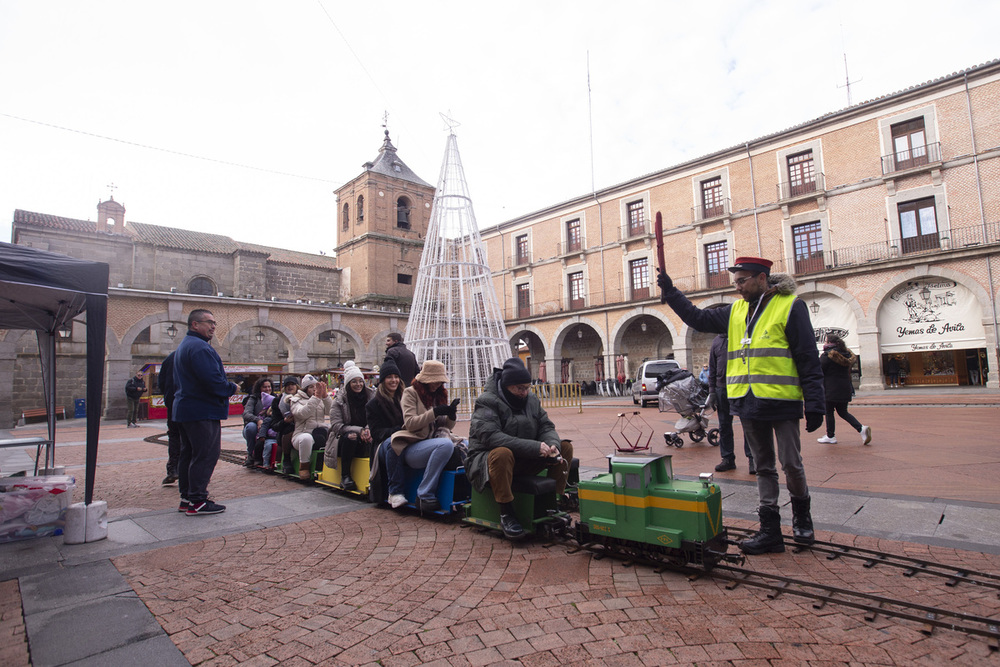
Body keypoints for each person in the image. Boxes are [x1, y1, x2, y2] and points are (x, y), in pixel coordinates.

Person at [657, 257, 824, 553]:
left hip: (781, 400)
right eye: (735, 282)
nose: (738, 287)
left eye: (742, 281)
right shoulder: (735, 311)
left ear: (762, 279)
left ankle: (803, 521)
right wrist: (672, 293)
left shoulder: (790, 306)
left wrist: (815, 402)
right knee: (762, 466)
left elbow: (807, 356)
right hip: (747, 401)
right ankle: (770, 529)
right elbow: (697, 318)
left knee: (791, 463)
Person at [468, 358, 573, 540]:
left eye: (527, 387)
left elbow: (546, 426)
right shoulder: (487, 401)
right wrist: (534, 447)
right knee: (502, 453)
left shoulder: (531, 399)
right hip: (487, 463)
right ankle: (506, 512)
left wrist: (552, 445)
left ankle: (553, 502)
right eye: (519, 388)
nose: (524, 393)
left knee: (565, 447)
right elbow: (492, 437)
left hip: (522, 458)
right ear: (507, 386)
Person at [172, 309, 239, 516]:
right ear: (194, 325)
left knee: (189, 454)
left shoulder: (185, 346)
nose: (213, 327)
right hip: (202, 409)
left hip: (186, 408)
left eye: (214, 323)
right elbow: (212, 381)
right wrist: (231, 388)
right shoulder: (200, 348)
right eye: (208, 322)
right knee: (205, 455)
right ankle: (198, 500)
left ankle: (187, 498)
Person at [389, 360, 463, 513]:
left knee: (465, 444)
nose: (437, 385)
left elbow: (446, 427)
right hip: (413, 446)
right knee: (446, 445)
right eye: (434, 381)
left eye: (439, 381)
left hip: (432, 443)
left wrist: (451, 414)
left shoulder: (439, 395)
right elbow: (410, 423)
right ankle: (423, 494)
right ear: (425, 379)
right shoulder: (410, 393)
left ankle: (459, 492)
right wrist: (434, 412)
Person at [707, 333, 755, 474]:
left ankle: (752, 459)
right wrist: (712, 391)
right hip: (722, 388)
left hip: (741, 386)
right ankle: (727, 459)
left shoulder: (741, 336)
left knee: (748, 425)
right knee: (724, 425)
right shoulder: (716, 341)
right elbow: (712, 368)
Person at [326, 362, 375, 490]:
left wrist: (368, 429)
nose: (358, 384)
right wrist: (360, 430)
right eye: (354, 381)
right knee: (351, 437)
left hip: (366, 433)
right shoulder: (339, 400)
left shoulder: (371, 396)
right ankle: (345, 475)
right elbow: (337, 426)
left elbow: (375, 417)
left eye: (360, 381)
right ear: (348, 384)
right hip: (343, 437)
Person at [819, 335, 871, 446]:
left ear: (829, 342)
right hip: (845, 387)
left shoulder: (827, 356)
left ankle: (830, 436)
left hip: (830, 389)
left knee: (829, 412)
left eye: (825, 341)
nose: (824, 343)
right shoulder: (846, 355)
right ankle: (861, 429)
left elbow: (819, 370)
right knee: (843, 411)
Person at [367, 359, 406, 506]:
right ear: (383, 380)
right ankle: (395, 492)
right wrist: (398, 430)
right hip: (383, 444)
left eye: (396, 377)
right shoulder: (373, 404)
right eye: (389, 377)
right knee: (393, 444)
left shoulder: (406, 398)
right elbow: (376, 433)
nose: (394, 380)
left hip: (407, 437)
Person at [289, 374, 332, 480]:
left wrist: (325, 396)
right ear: (305, 388)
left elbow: (331, 411)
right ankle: (304, 467)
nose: (314, 389)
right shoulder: (295, 400)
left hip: (320, 432)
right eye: (311, 387)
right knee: (306, 439)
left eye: (316, 387)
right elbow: (303, 413)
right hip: (302, 434)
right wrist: (316, 397)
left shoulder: (320, 399)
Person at [158, 351, 180, 486]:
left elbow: (161, 383)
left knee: (174, 437)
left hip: (173, 403)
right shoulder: (198, 353)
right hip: (192, 405)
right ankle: (190, 471)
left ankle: (173, 470)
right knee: (192, 439)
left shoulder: (169, 358)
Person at [242, 378, 274, 466]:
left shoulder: (275, 398)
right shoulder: (253, 399)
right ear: (259, 388)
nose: (267, 389)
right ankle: (251, 454)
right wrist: (257, 420)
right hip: (256, 427)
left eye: (269, 387)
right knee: (251, 427)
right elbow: (246, 413)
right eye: (264, 387)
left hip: (270, 426)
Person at [275, 376, 299, 474]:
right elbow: (275, 424)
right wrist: (284, 421)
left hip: (302, 425)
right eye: (287, 385)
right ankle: (287, 460)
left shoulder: (302, 397)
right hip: (286, 428)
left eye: (292, 384)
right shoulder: (278, 402)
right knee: (289, 430)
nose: (290, 387)